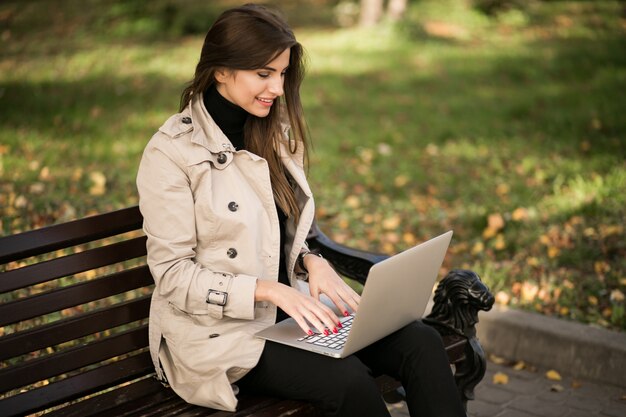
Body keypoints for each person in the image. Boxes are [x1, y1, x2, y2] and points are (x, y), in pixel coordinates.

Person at [136, 4, 466, 417]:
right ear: (220, 70)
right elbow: (172, 276)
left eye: (283, 73)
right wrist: (269, 290)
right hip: (221, 334)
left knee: (421, 341)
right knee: (347, 380)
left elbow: (281, 231)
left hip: (291, 316)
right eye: (263, 73)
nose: (277, 87)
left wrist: (313, 261)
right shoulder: (171, 153)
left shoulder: (272, 133)